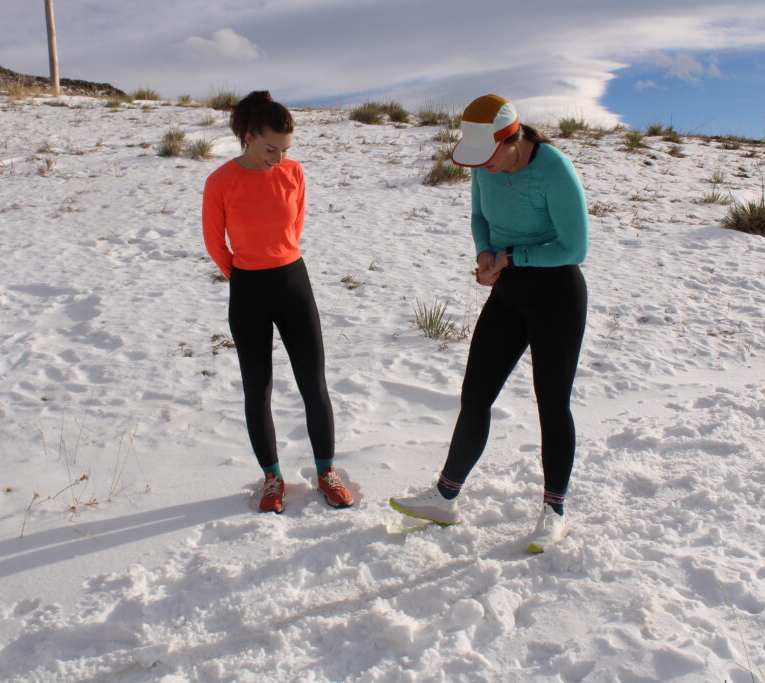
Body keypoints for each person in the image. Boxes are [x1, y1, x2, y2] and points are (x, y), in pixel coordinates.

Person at [390, 94, 588, 552]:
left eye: (490, 159)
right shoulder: (485, 165)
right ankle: (445, 498)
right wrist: (485, 255)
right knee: (475, 396)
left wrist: (513, 257)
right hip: (509, 293)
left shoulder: (554, 170)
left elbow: (575, 249)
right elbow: (480, 216)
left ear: (513, 140)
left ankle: (554, 511)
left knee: (551, 403)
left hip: (557, 294)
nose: (484, 169)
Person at [203, 90, 353, 514]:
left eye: (285, 150)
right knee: (258, 388)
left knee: (314, 384)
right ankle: (272, 478)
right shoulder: (221, 182)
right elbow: (216, 243)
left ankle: (327, 471)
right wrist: (246, 275)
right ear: (248, 137)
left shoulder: (293, 173)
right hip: (248, 289)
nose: (278, 158)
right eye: (271, 149)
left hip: (292, 282)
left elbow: (296, 223)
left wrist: (276, 260)